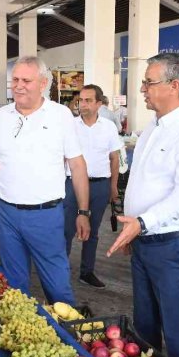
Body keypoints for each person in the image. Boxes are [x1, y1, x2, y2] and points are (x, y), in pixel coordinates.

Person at [107, 52, 179, 357]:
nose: (142, 89)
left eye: (148, 82)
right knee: (144, 325)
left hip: (174, 245)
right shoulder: (152, 127)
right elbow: (143, 181)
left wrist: (140, 223)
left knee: (176, 327)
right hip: (144, 240)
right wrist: (136, 230)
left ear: (173, 85)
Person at [0, 56, 90, 305]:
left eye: (26, 80)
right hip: (5, 214)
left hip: (45, 215)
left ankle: (67, 335)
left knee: (57, 285)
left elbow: (77, 165)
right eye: (15, 80)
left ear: (43, 83)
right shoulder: (0, 117)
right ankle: (20, 333)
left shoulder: (60, 116)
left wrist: (83, 211)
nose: (18, 85)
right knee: (14, 286)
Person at [63, 84, 123, 289]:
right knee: (67, 230)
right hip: (72, 185)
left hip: (99, 186)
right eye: (81, 100)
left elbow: (114, 158)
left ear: (99, 103)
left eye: (88, 100)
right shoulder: (70, 126)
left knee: (93, 231)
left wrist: (113, 186)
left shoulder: (108, 127)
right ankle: (60, 272)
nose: (83, 104)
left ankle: (87, 272)